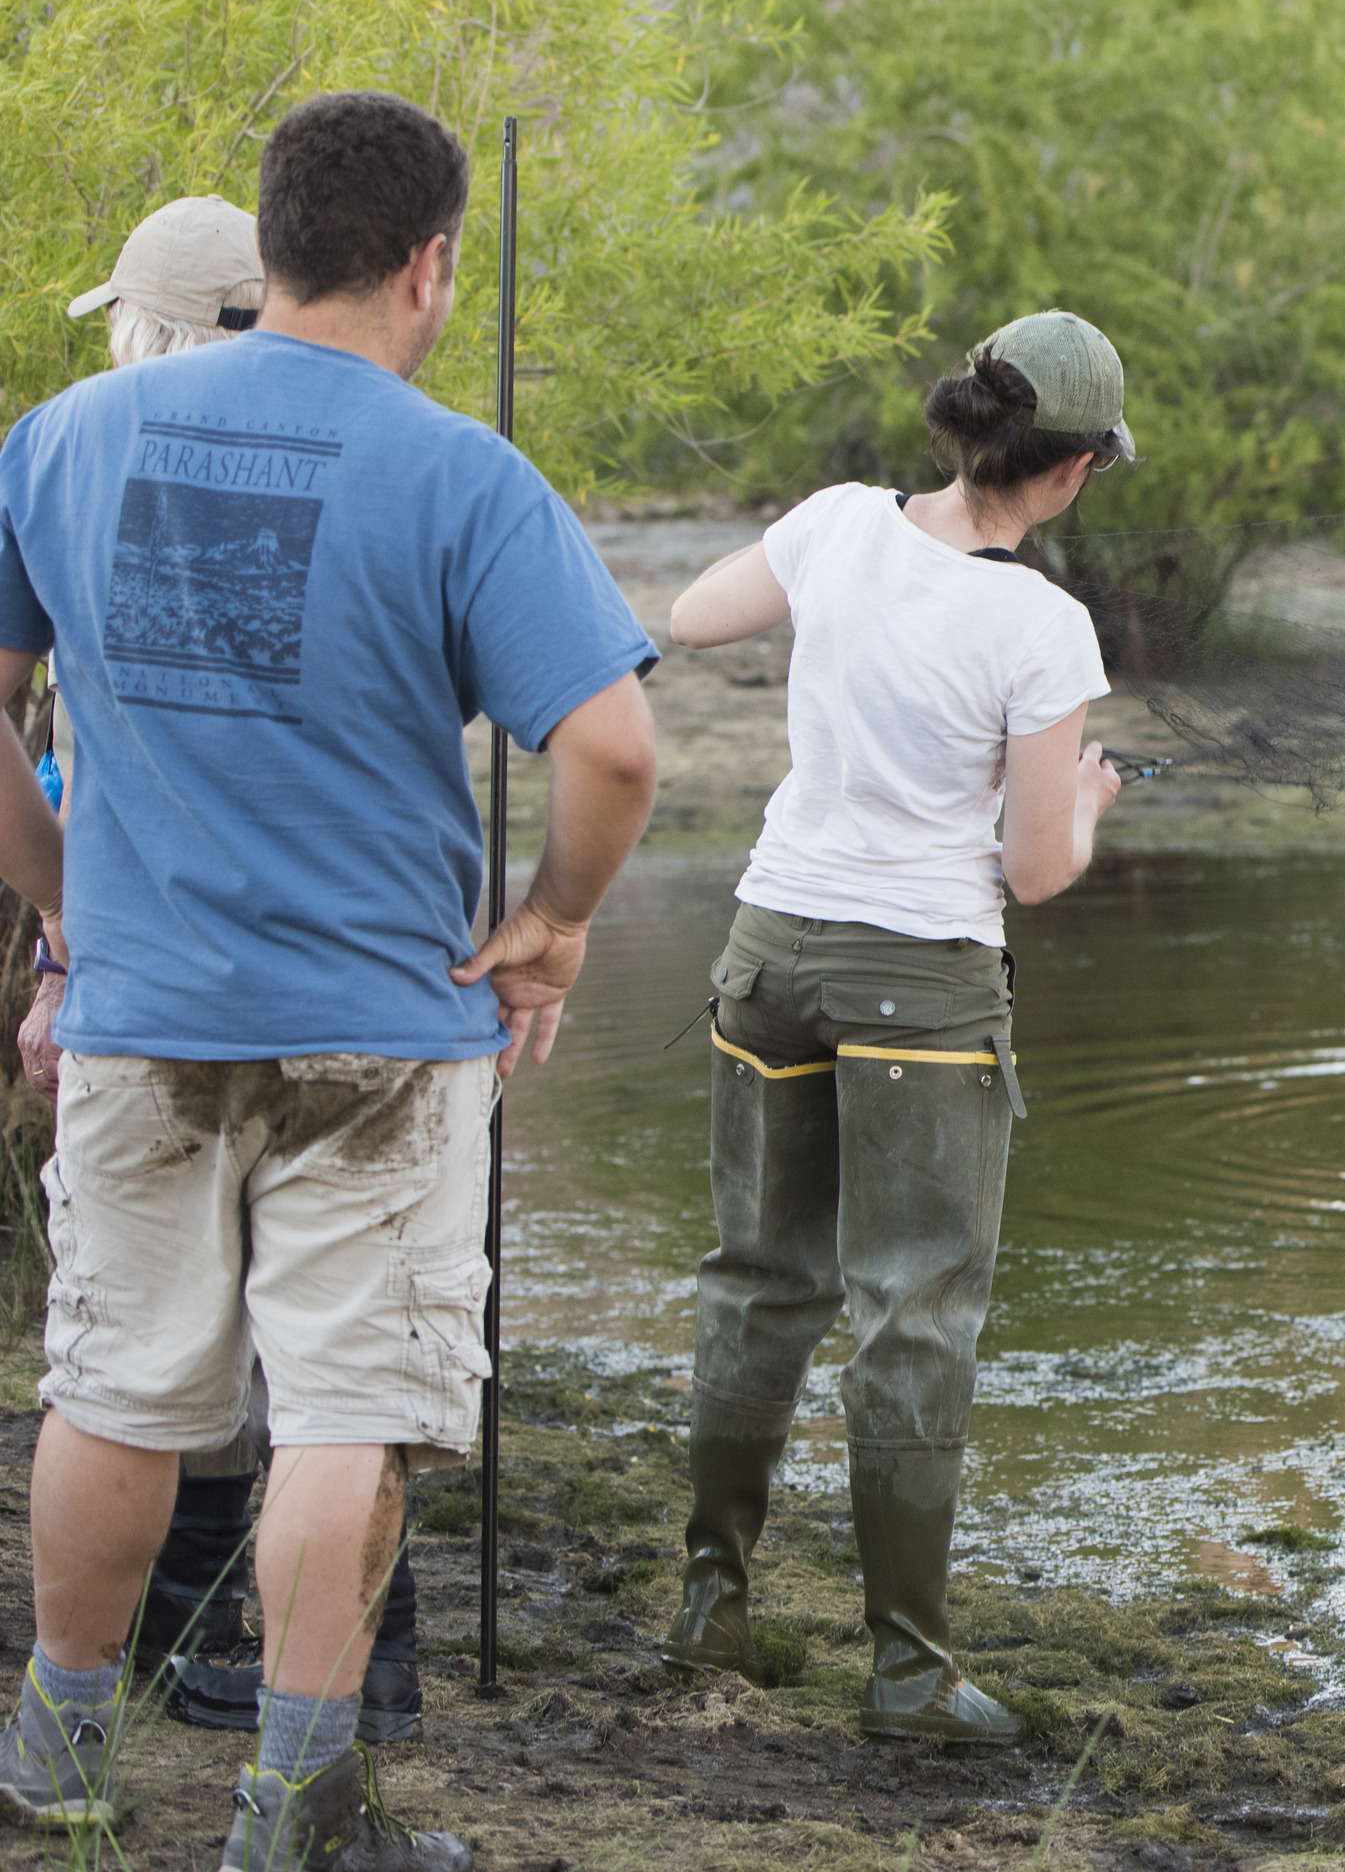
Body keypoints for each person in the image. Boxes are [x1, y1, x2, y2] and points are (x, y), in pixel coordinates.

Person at [0, 92, 661, 1871]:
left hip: (142, 1011)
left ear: (271, 241)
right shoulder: (459, 473)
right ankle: (294, 1806)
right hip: (384, 1026)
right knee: (346, 1409)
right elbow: (610, 745)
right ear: (431, 268)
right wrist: (557, 918)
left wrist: (60, 902)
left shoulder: (57, 437)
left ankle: (56, 1751)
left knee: (116, 1387)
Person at [655, 313, 1131, 1746]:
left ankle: (709, 1610)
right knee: (912, 1317)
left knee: (758, 1281)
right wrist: (1092, 803)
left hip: (769, 951)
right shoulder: (1044, 627)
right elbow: (1037, 872)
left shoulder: (837, 525)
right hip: (919, 984)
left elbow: (688, 615)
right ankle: (910, 1675)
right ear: (1067, 471)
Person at [12, 195, 430, 1754]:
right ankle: (329, 1671)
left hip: (157, 980)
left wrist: (62, 921)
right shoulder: (388, 453)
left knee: (145, 1354)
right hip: (367, 988)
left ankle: (172, 1659)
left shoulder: (78, 461)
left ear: (158, 325)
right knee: (338, 1362)